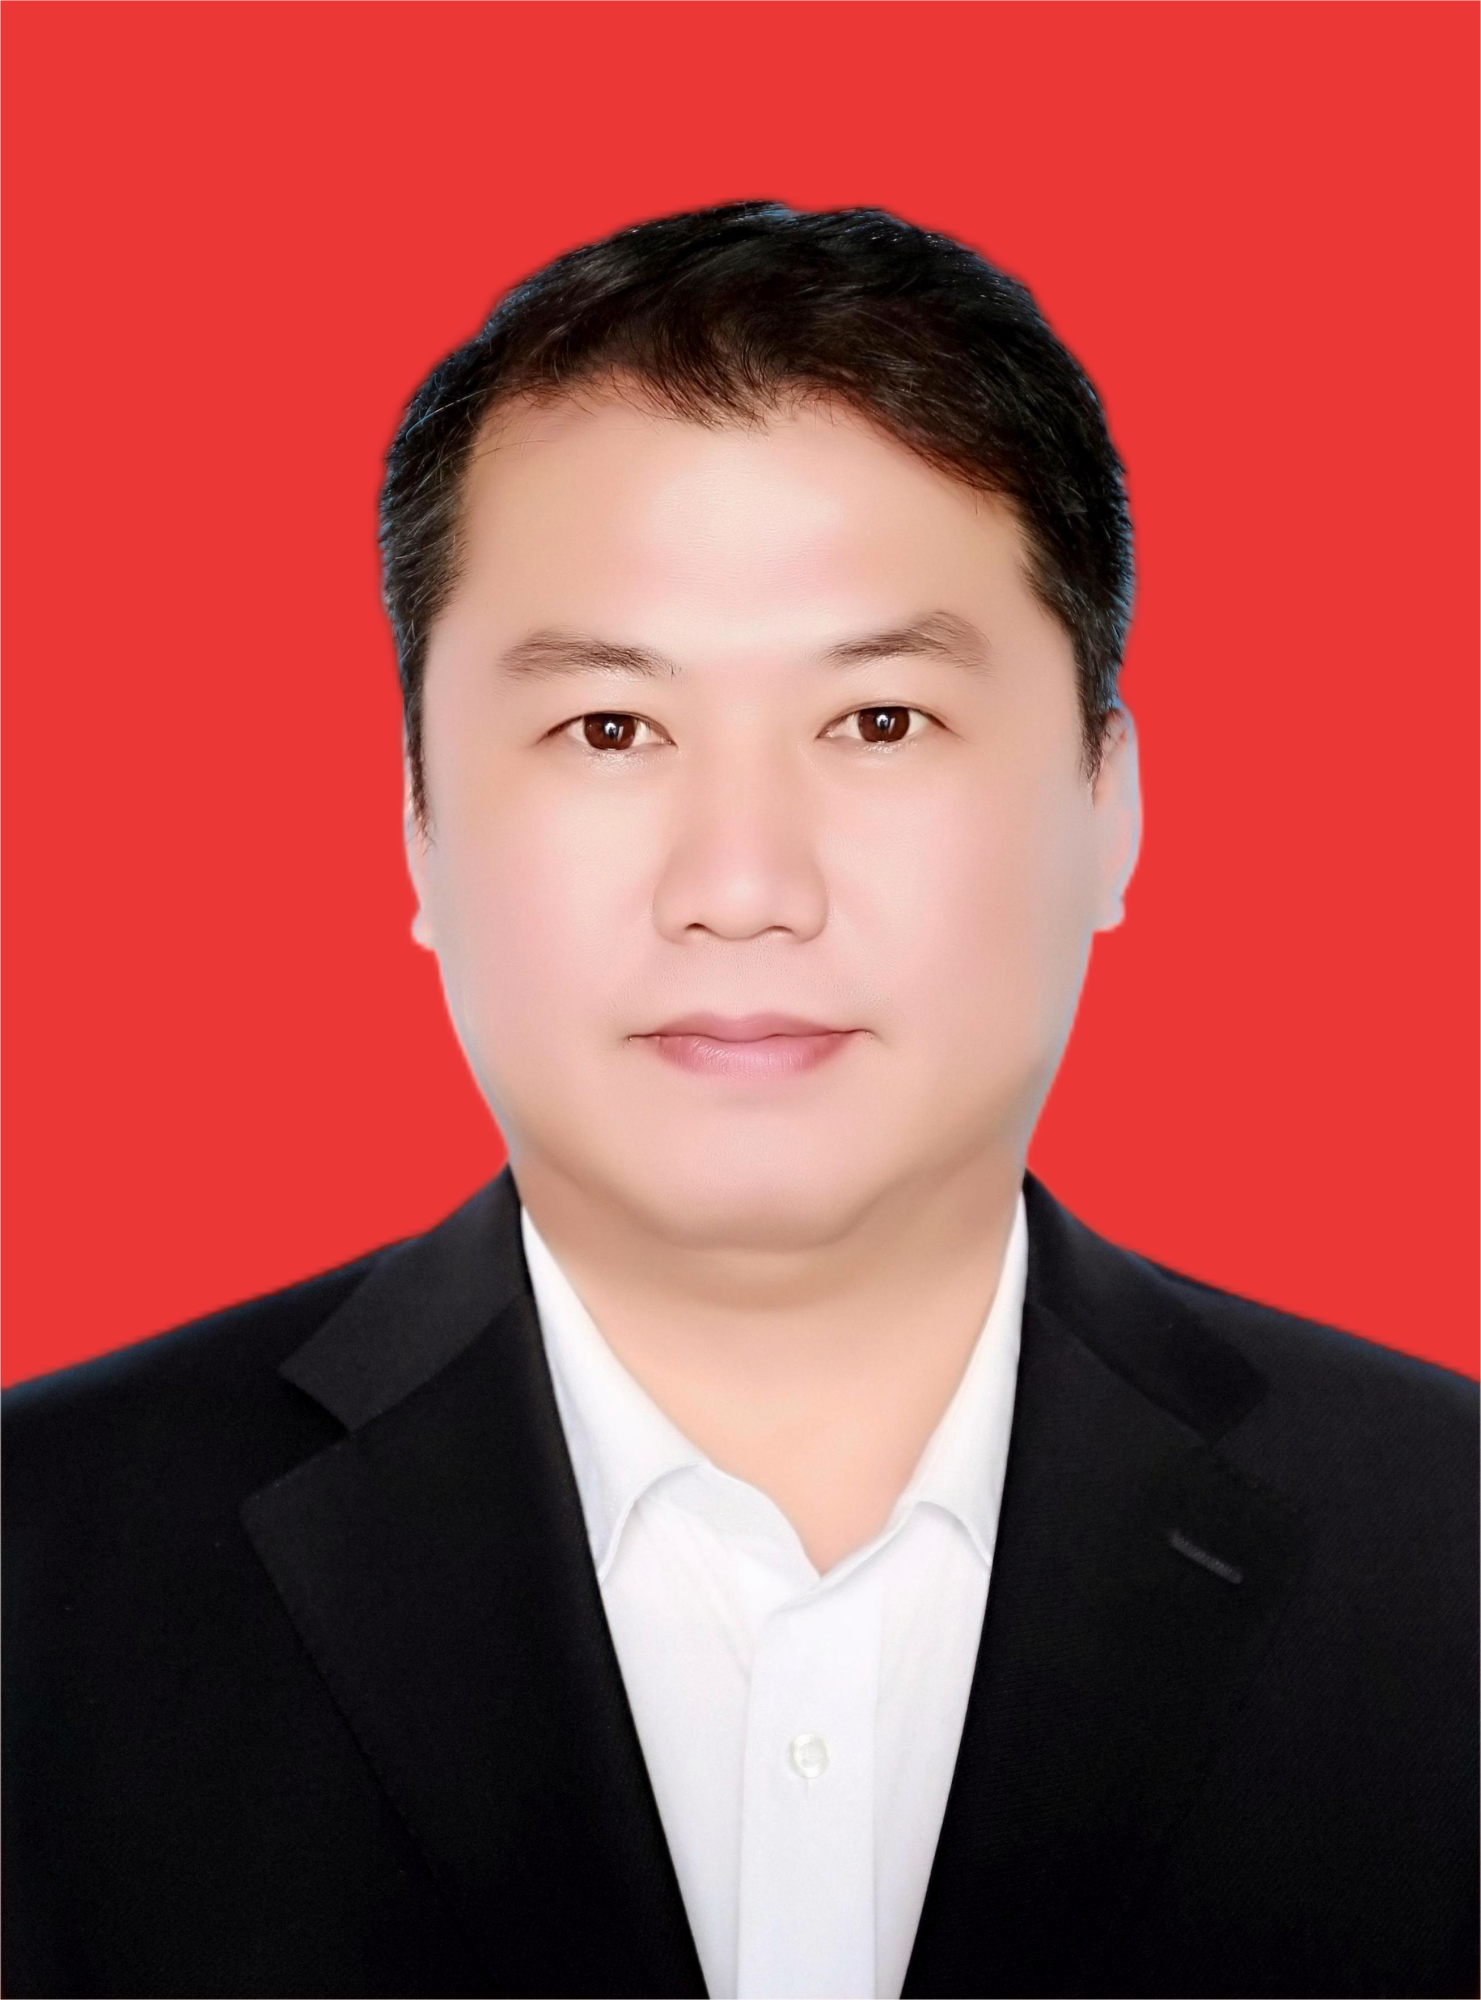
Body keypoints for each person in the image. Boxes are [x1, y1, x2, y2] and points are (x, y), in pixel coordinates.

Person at [3, 202, 1475, 2000]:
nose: (744, 885)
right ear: (417, 824)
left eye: (881, 722)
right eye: (610, 730)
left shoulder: (1448, 1556)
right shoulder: (36, 1570)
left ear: (1110, 801)